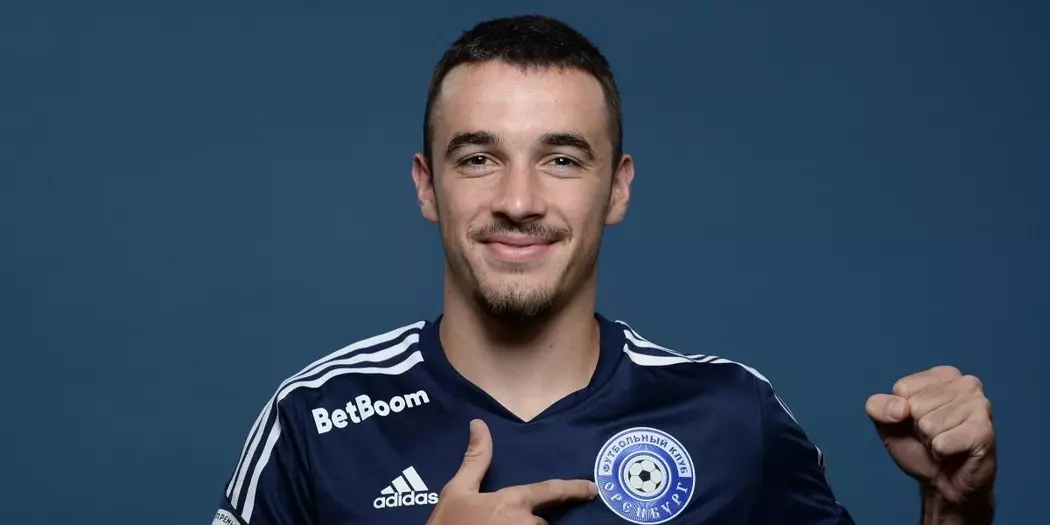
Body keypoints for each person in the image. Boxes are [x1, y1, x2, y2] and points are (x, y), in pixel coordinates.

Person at [213, 14, 996, 525]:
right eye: (479, 157)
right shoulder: (313, 422)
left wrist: (952, 507)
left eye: (561, 158)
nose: (519, 200)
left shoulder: (730, 417)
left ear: (617, 188)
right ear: (427, 186)